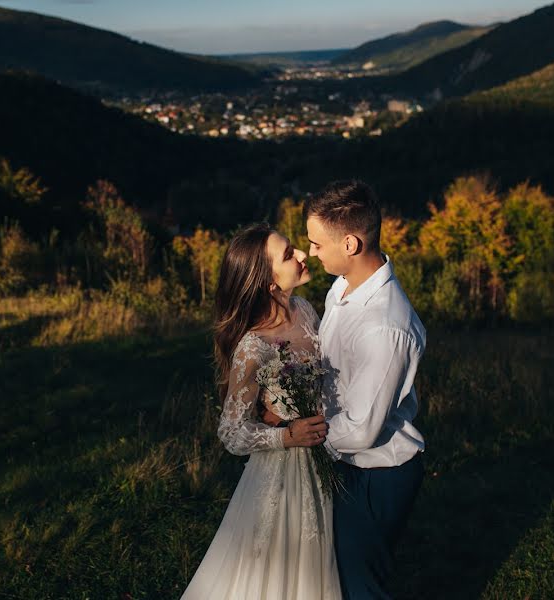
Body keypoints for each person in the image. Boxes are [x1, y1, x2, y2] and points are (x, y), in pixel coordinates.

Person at [181, 223, 341, 600]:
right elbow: (232, 433)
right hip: (282, 472)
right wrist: (287, 435)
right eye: (289, 254)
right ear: (269, 282)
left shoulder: (304, 310)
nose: (302, 254)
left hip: (325, 462)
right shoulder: (254, 347)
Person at [305, 180, 426, 600]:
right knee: (336, 574)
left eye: (318, 243)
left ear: (351, 244)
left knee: (361, 585)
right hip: (344, 463)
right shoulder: (342, 286)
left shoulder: (385, 327)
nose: (311, 252)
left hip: (376, 472)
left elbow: (360, 432)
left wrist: (298, 434)